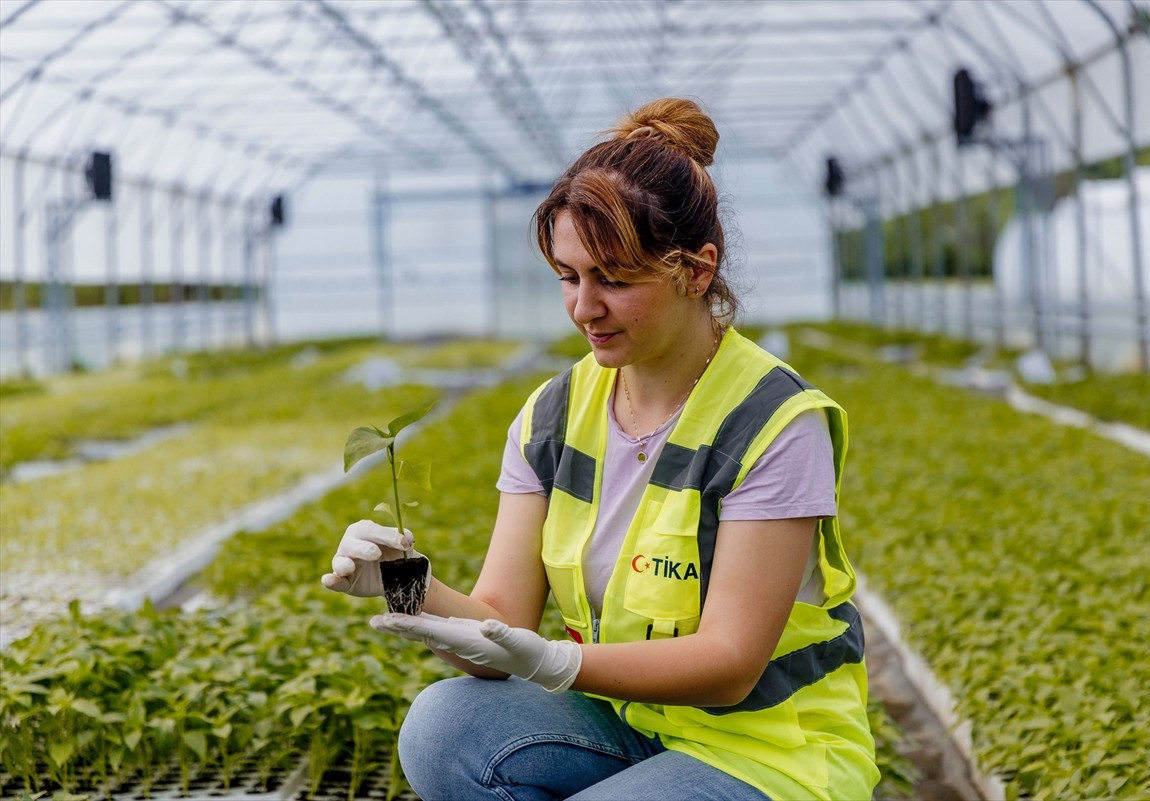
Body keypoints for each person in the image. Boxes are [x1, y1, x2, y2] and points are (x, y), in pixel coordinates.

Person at [321, 97, 879, 801]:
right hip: (633, 725)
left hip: (765, 754)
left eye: (613, 279)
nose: (585, 307)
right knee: (443, 727)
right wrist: (407, 585)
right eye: (568, 275)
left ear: (697, 271)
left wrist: (562, 662)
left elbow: (730, 663)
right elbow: (501, 618)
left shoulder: (772, 421)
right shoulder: (554, 415)